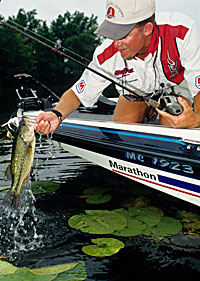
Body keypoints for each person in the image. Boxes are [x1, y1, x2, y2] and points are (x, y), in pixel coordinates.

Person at [35, 0, 200, 135]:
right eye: (112, 33)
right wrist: (56, 114)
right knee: (123, 125)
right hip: (137, 93)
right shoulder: (106, 53)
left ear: (147, 29)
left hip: (177, 87)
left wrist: (196, 119)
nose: (116, 43)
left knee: (175, 120)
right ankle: (149, 111)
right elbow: (77, 93)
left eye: (123, 34)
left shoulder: (182, 32)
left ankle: (158, 113)